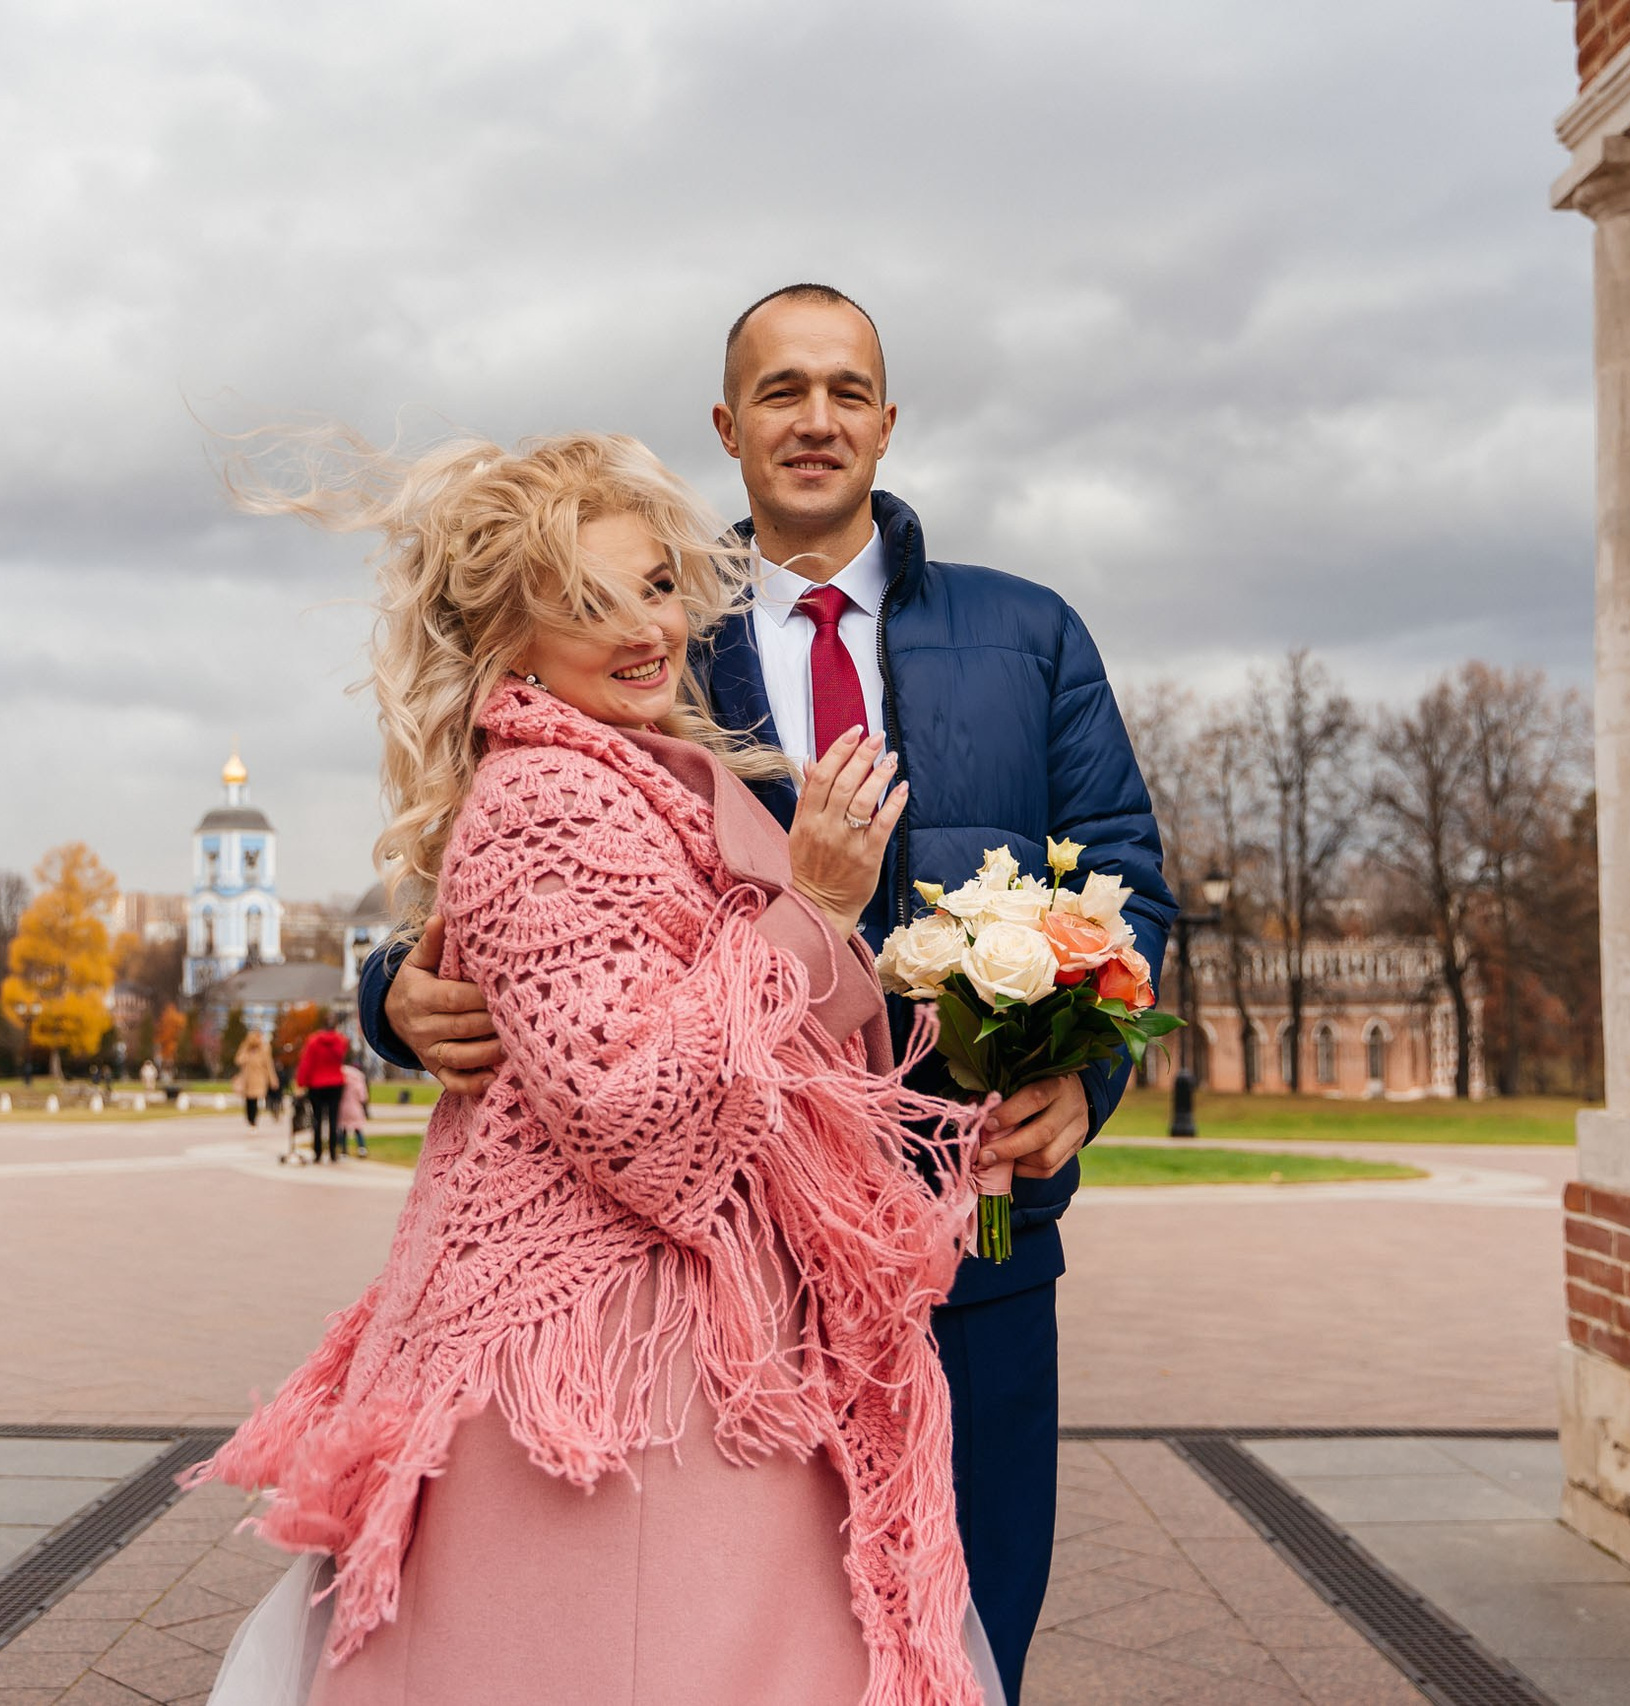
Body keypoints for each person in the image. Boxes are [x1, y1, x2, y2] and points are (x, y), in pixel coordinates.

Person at [358, 285, 1175, 1701]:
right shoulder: (652, 608)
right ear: (728, 428)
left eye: (846, 388)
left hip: (971, 1230)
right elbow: (514, 859)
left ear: (888, 419)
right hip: (744, 1274)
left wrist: (1083, 1076)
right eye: (781, 390)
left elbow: (1122, 877)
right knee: (753, 1648)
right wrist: (392, 995)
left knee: (971, 1634)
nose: (816, 417)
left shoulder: (1030, 631)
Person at [194, 433, 1002, 1706]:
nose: (646, 628)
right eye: (585, 600)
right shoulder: (547, 803)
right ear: (509, 639)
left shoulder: (634, 778)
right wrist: (816, 904)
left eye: (654, 585)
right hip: (615, 1372)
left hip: (680, 1350)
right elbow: (634, 1104)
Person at [295, 1024, 349, 1162]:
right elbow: (342, 1054)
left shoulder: (313, 1042)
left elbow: (306, 1063)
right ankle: (332, 1152)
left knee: (317, 1119)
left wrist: (301, 1082)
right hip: (335, 1083)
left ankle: (318, 1152)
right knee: (333, 1119)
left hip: (317, 1084)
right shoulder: (339, 1041)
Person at [234, 1028, 278, 1129]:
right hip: (247, 1078)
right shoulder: (246, 1047)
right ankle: (250, 1119)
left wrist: (272, 1079)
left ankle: (253, 1121)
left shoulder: (265, 1048)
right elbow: (238, 1060)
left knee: (255, 1099)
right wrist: (247, 1054)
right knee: (248, 1100)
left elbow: (268, 1064)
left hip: (259, 1077)